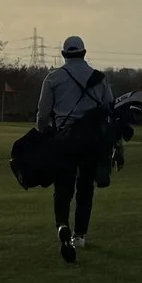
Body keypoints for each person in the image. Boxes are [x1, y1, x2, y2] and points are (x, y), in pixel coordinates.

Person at [34, 34, 114, 263]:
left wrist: (43, 133)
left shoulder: (53, 78)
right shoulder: (99, 78)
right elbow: (109, 106)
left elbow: (43, 113)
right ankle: (80, 235)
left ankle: (62, 226)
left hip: (63, 139)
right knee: (85, 188)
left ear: (63, 55)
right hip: (91, 141)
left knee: (63, 189)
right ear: (84, 53)